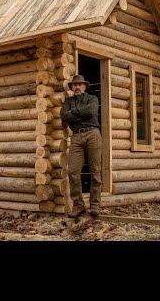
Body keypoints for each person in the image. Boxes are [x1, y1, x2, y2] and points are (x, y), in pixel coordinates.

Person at [61, 74, 102, 218]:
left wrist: (74, 113)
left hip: (93, 134)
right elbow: (64, 116)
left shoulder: (92, 99)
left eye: (80, 84)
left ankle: (95, 205)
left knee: (95, 171)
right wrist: (79, 113)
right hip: (77, 136)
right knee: (73, 171)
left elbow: (91, 112)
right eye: (74, 85)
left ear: (84, 86)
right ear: (72, 87)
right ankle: (78, 206)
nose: (77, 87)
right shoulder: (68, 101)